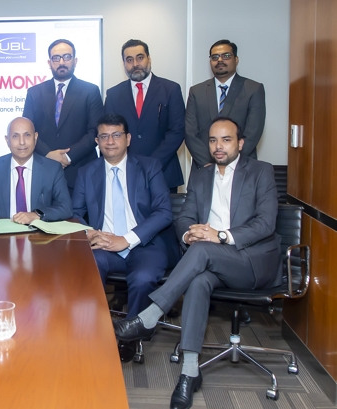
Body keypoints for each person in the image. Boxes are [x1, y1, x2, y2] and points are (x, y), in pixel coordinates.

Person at [113, 117, 281, 409]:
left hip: (252, 262)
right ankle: (190, 372)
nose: (218, 146)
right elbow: (185, 217)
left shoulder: (261, 172)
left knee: (203, 252)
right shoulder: (201, 175)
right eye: (213, 140)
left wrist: (220, 235)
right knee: (198, 281)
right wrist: (189, 234)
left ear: (241, 143)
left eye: (226, 140)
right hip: (212, 262)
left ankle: (150, 316)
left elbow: (265, 223)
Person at [72, 113, 177, 362]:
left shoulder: (149, 167)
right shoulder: (86, 172)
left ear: (128, 138)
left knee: (143, 278)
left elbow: (164, 212)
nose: (110, 141)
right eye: (104, 136)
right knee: (88, 266)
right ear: (97, 141)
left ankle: (130, 336)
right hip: (105, 244)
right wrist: (91, 232)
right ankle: (95, 331)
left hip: (145, 243)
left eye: (116, 135)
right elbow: (74, 214)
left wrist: (127, 239)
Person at [22, 39, 104, 193]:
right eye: (56, 58)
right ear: (49, 62)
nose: (61, 62)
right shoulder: (34, 93)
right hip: (43, 172)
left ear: (75, 61)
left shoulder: (90, 91)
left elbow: (95, 132)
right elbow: (27, 132)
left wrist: (67, 156)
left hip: (80, 173)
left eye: (67, 57)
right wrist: (48, 154)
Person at [104, 39, 185, 192]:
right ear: (124, 64)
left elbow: (177, 131)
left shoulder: (171, 89)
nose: (135, 64)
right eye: (129, 60)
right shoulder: (114, 94)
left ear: (149, 58)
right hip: (126, 174)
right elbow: (110, 133)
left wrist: (152, 164)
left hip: (163, 172)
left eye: (140, 57)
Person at [0, 117, 72, 224]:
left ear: (35, 137)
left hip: (38, 233)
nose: (22, 142)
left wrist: (36, 215)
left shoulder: (52, 168)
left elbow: (65, 207)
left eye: (27, 135)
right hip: (2, 232)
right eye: (15, 136)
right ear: (7, 140)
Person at [185, 39, 266, 169]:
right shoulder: (197, 91)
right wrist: (209, 165)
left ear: (236, 59)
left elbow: (253, 133)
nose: (220, 60)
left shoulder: (253, 89)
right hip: (204, 167)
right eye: (215, 57)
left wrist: (230, 164)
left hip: (241, 167)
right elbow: (190, 133)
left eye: (226, 56)